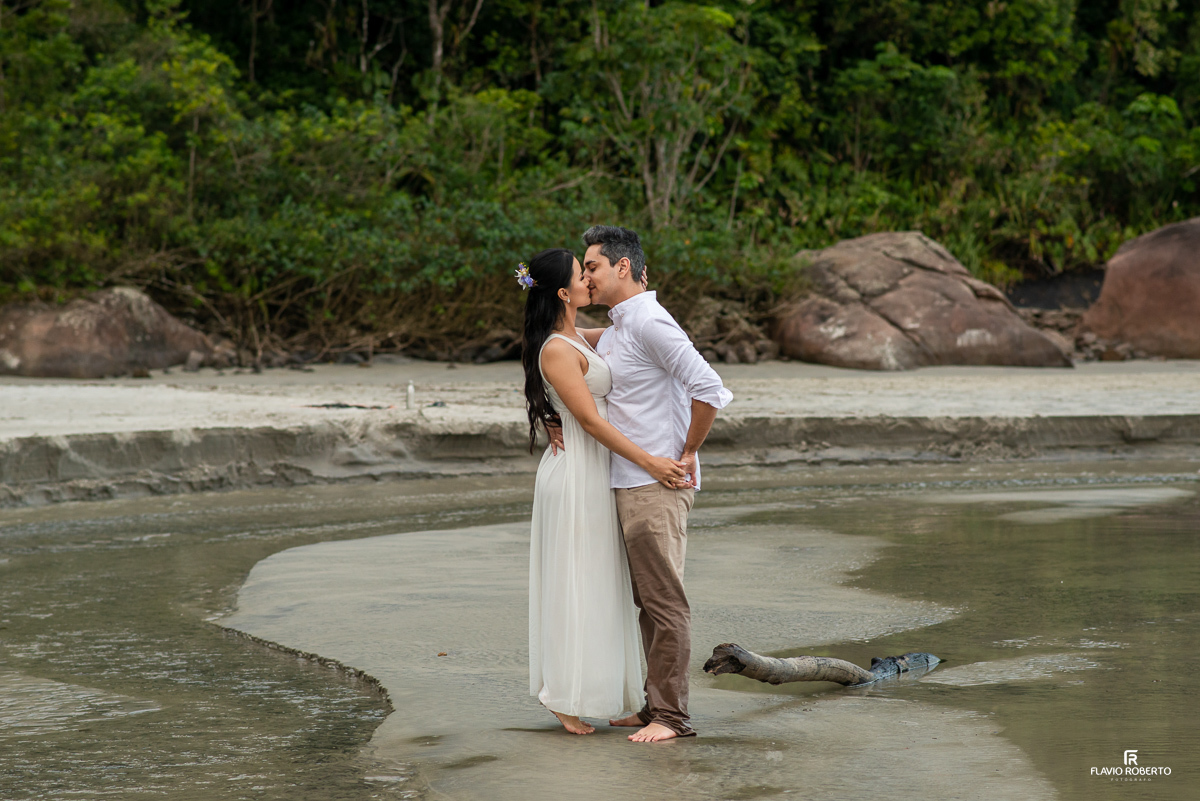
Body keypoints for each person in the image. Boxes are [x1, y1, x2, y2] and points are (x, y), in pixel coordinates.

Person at [522, 248, 688, 735]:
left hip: (599, 474)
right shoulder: (556, 346)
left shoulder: (577, 337)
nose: (589, 282)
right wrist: (651, 459)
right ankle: (560, 696)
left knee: (597, 584)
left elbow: (632, 341)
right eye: (581, 275)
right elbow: (591, 421)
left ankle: (606, 693)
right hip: (576, 474)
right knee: (574, 583)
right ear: (562, 293)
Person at [578, 225, 733, 743]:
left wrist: (687, 452)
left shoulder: (648, 321)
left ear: (623, 267)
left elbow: (709, 387)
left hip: (657, 484)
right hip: (628, 481)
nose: (587, 277)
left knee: (665, 603)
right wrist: (545, 293)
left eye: (593, 267)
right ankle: (653, 705)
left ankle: (672, 717)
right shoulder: (623, 326)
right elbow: (569, 339)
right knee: (648, 602)